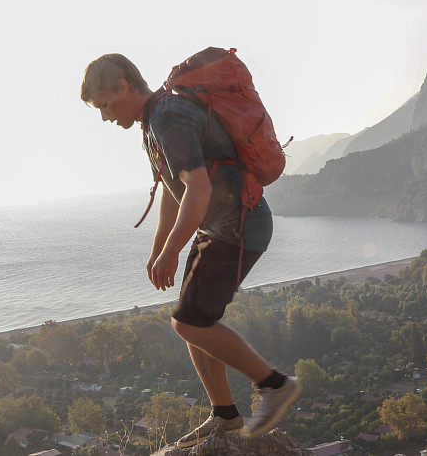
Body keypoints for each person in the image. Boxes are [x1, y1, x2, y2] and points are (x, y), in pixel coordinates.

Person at [80, 53, 301, 446]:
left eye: (104, 105)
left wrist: (171, 252)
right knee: (191, 320)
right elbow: (172, 191)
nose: (104, 117)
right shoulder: (154, 123)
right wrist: (161, 249)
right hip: (220, 225)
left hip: (238, 225)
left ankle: (275, 385)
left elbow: (198, 188)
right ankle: (225, 414)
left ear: (123, 86)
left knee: (189, 323)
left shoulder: (168, 116)